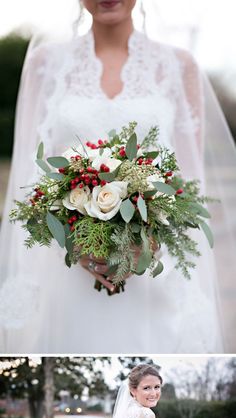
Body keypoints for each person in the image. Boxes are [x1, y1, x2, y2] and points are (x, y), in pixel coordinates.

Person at [0, 0, 235, 353]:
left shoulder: (178, 66)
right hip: (69, 266)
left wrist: (150, 241)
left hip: (156, 268)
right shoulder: (45, 65)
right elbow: (31, 174)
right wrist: (72, 240)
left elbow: (188, 179)